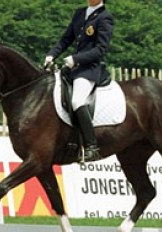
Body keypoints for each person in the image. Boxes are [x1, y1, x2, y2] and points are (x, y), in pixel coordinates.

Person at [44, 0, 114, 162]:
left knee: (77, 101)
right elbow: (66, 39)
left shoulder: (105, 17)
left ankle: (91, 146)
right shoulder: (80, 13)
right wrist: (52, 54)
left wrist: (76, 58)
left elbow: (101, 49)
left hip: (89, 69)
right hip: (72, 69)